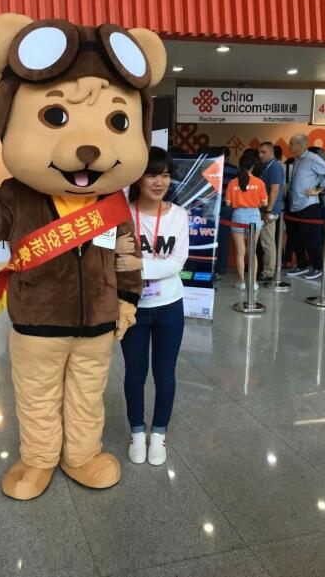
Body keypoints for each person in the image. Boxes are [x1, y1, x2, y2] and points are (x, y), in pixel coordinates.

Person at [117, 148, 190, 466]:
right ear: (137, 178)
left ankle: (159, 433)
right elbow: (100, 248)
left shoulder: (179, 215)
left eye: (165, 175)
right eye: (152, 175)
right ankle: (137, 432)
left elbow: (177, 262)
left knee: (165, 374)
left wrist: (138, 264)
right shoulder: (121, 214)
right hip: (131, 307)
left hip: (169, 305)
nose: (160, 182)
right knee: (134, 374)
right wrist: (114, 247)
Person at [285, 134, 325, 280]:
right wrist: (289, 185)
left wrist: (318, 189)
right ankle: (302, 264)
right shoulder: (298, 160)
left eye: (292, 143)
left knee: (310, 238)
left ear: (300, 145)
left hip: (309, 204)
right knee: (295, 237)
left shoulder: (312, 158)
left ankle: (317, 266)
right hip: (295, 204)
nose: (289, 145)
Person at [226, 149, 268, 289]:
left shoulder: (233, 182)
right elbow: (264, 203)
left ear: (240, 165)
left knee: (240, 252)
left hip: (238, 215)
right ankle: (253, 282)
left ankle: (241, 282)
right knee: (252, 251)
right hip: (254, 215)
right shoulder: (259, 182)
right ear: (252, 167)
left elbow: (228, 203)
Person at [256, 142, 285, 281]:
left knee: (267, 241)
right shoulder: (266, 166)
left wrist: (268, 210)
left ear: (271, 152)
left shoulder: (275, 167)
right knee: (265, 241)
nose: (260, 155)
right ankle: (267, 270)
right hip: (264, 209)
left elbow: (274, 190)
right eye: (259, 152)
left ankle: (269, 272)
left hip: (270, 209)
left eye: (263, 152)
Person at [215, 147, 240, 280]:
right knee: (224, 239)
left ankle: (212, 265)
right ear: (229, 156)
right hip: (227, 207)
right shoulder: (235, 170)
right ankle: (222, 267)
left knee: (211, 237)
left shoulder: (211, 168)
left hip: (212, 208)